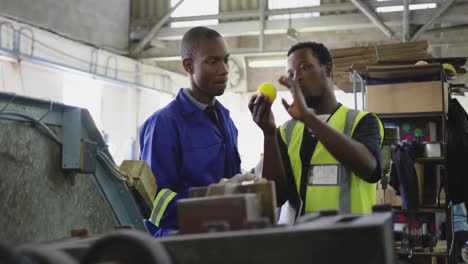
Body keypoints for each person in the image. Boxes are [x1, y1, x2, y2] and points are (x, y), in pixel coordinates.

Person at [249, 42, 384, 217]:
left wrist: (309, 119)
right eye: (290, 74)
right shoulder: (285, 132)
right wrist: (268, 134)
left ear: (328, 70)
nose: (296, 78)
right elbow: (277, 197)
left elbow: (369, 169)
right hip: (305, 242)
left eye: (304, 68)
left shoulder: (362, 121)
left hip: (351, 240)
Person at [139, 26, 241, 237]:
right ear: (188, 66)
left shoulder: (226, 121)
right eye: (212, 61)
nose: (224, 70)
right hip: (178, 243)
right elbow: (154, 203)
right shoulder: (164, 124)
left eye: (226, 60)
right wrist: (211, 205)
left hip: (221, 237)